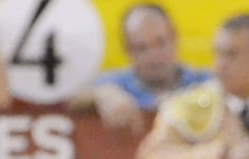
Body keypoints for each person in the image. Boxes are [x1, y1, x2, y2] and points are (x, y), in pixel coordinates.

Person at [134, 13, 249, 159]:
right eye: (218, 53)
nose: (220, 64)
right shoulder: (190, 105)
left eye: (231, 54)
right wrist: (223, 158)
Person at [71, 5, 210, 136]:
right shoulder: (117, 84)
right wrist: (103, 96)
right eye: (141, 48)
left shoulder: (203, 82)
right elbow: (70, 96)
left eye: (161, 43)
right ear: (128, 50)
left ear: (174, 38)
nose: (153, 56)